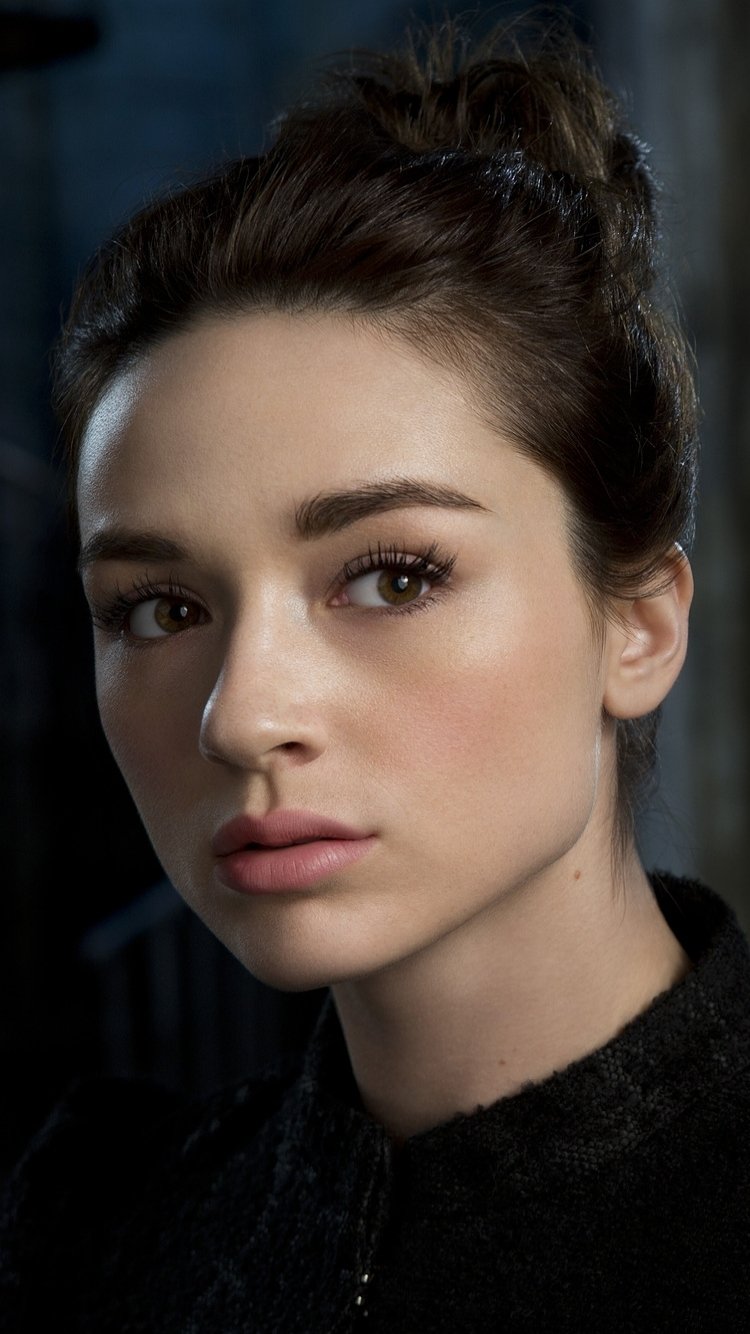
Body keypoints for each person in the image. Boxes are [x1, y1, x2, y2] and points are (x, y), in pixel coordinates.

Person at [2, 11, 749, 1332]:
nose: (244, 715)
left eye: (392, 575)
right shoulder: (98, 1242)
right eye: (161, 605)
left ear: (635, 621)